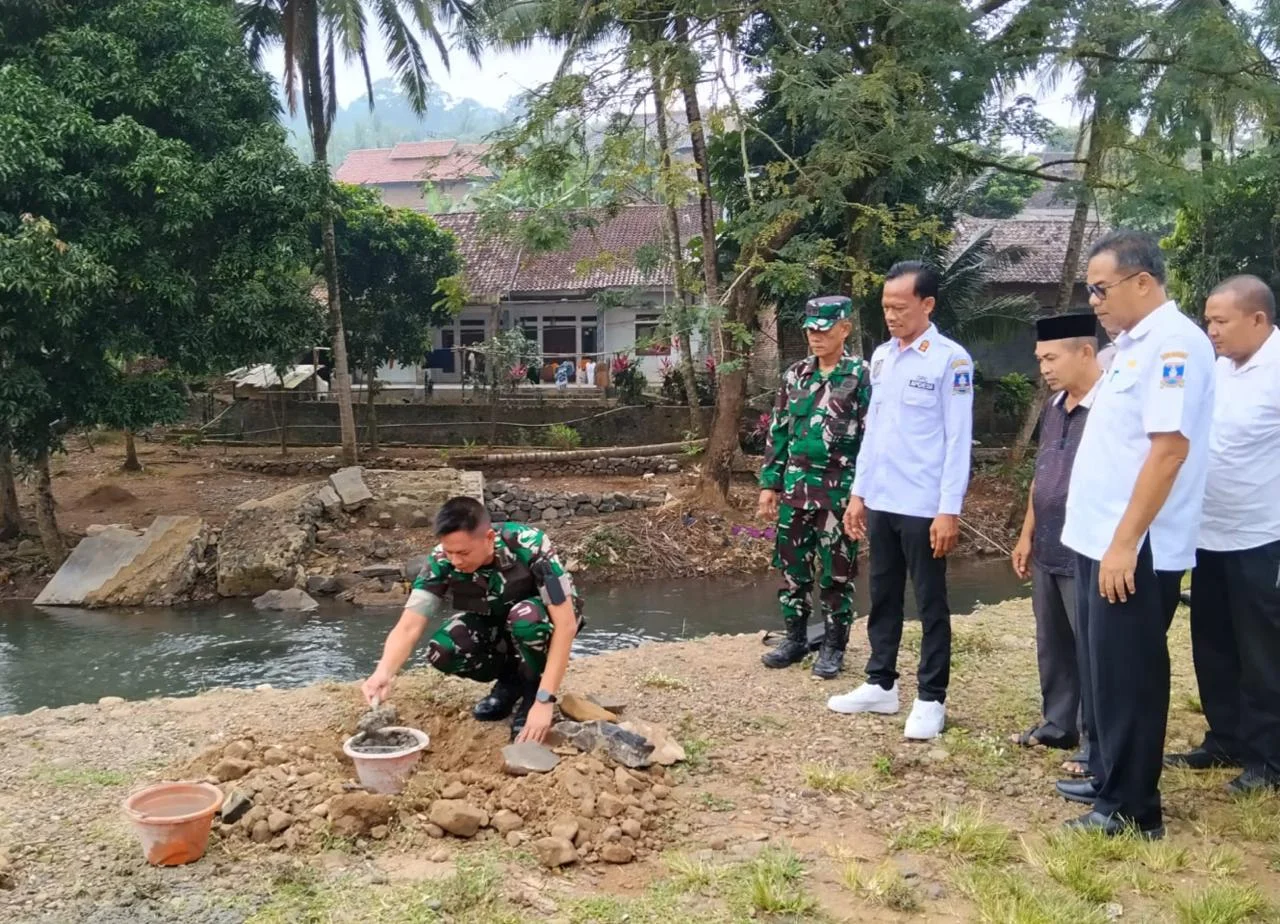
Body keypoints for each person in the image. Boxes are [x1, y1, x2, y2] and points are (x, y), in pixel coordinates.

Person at [1053, 230, 1214, 839]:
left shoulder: (1174, 346)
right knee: (1101, 670)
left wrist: (1125, 542)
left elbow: (1168, 452)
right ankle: (1107, 774)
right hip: (1101, 540)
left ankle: (1132, 809)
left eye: (1100, 288)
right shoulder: (1132, 348)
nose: (1093, 300)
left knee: (1130, 675)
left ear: (1142, 282)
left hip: (1135, 548)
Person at [829, 262, 974, 741]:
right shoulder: (883, 357)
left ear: (927, 304)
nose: (890, 315)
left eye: (900, 307)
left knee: (931, 602)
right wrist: (858, 494)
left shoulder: (950, 362)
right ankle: (880, 682)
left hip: (924, 503)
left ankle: (931, 697)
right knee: (884, 593)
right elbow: (874, 433)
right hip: (884, 498)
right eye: (885, 307)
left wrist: (948, 509)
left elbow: (958, 440)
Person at [1165, 275, 1280, 794]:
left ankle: (1268, 759)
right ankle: (1225, 737)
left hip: (1263, 536)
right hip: (1208, 534)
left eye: (1220, 322)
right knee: (1212, 643)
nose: (1210, 331)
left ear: (1258, 319)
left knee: (1263, 653)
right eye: (1207, 321)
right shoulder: (1217, 369)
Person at [361, 497, 582, 743]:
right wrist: (383, 672)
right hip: (498, 626)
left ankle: (532, 689)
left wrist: (544, 700)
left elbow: (566, 624)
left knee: (525, 619)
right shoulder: (441, 560)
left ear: (488, 538)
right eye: (449, 551)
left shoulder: (530, 544)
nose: (455, 561)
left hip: (540, 624)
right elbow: (409, 626)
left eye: (463, 553)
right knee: (442, 649)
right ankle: (511, 682)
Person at [758, 295, 871, 678]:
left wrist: (863, 494)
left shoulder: (861, 376)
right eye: (810, 330)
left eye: (823, 330)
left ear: (844, 329)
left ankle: (835, 646)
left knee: (837, 573)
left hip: (840, 493)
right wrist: (769, 485)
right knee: (792, 568)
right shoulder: (796, 375)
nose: (815, 337)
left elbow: (874, 438)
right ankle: (795, 638)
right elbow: (778, 432)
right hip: (796, 489)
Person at [1010, 314, 1103, 775]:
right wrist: (1026, 534)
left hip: (1086, 546)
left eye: (1051, 358)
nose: (1044, 368)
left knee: (1092, 646)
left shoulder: (1110, 407)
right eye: (1040, 359)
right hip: (1046, 541)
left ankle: (1095, 740)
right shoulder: (1053, 407)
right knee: (1054, 640)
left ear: (1085, 352)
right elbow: (1041, 475)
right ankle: (1059, 722)